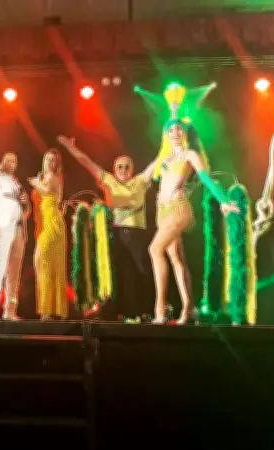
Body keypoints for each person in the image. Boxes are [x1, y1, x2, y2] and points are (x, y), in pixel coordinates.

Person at [144, 83, 239, 324]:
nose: (175, 132)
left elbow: (206, 178)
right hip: (162, 211)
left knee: (154, 250)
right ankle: (189, 308)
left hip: (178, 208)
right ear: (166, 134)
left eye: (179, 129)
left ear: (186, 133)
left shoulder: (190, 155)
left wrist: (223, 200)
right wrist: (173, 110)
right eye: (171, 129)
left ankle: (160, 310)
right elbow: (166, 137)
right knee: (176, 259)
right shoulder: (165, 158)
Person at [57, 136, 152, 323]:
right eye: (120, 167)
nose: (123, 170)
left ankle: (140, 312)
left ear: (132, 169)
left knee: (139, 273)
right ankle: (116, 312)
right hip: (115, 233)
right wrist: (72, 148)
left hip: (136, 233)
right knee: (116, 274)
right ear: (114, 170)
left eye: (127, 166)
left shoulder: (140, 181)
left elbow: (156, 164)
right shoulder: (109, 180)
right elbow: (87, 163)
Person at [0, 152, 30, 321]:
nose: (11, 163)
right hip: (3, 225)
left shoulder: (17, 183)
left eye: (14, 161)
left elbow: (27, 210)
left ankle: (10, 311)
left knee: (14, 272)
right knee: (1, 267)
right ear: (2, 162)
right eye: (8, 160)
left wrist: (26, 202)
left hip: (18, 227)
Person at [29, 149, 68, 320]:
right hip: (47, 223)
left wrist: (36, 183)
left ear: (57, 164)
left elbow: (46, 191)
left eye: (53, 160)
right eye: (48, 159)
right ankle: (50, 310)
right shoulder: (45, 178)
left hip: (52, 224)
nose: (50, 163)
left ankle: (47, 311)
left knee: (43, 261)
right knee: (43, 263)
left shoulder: (52, 177)